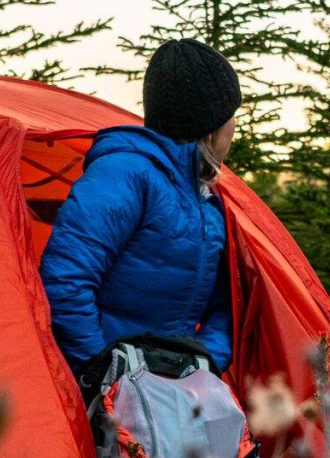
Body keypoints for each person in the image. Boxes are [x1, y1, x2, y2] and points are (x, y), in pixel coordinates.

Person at [38, 38, 242, 398]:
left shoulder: (207, 200)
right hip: (107, 394)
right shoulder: (125, 174)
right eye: (232, 118)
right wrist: (103, 376)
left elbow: (228, 305)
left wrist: (203, 366)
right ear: (210, 126)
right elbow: (65, 280)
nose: (235, 128)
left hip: (174, 393)